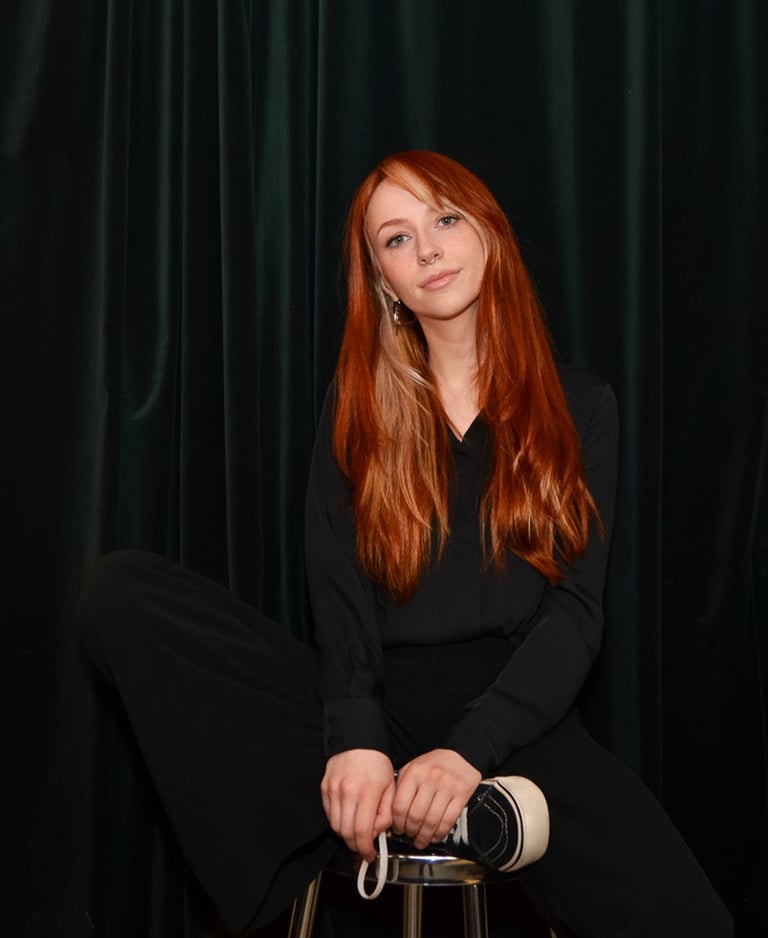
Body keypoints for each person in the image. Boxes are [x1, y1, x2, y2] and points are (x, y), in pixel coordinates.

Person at [77, 150, 733, 937]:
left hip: (515, 721)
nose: (426, 249)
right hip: (374, 705)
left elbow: (577, 612)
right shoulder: (355, 408)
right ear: (384, 281)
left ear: (488, 234)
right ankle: (393, 806)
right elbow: (337, 591)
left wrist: (468, 751)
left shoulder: (582, 406)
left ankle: (449, 807)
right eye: (396, 238)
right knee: (121, 593)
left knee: (693, 922)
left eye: (445, 220)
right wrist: (354, 740)